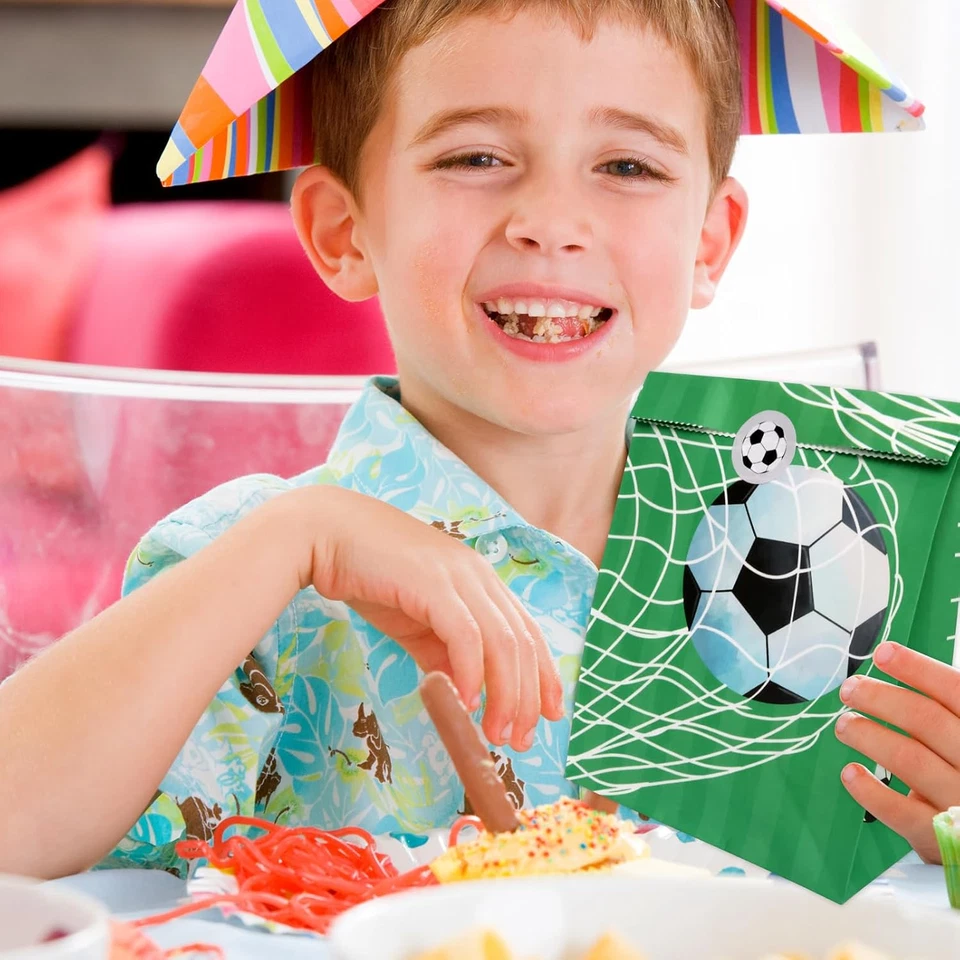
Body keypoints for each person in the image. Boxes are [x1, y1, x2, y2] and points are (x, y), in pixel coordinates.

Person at [0, 0, 952, 882]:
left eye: (627, 166)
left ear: (708, 242)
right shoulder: (259, 561)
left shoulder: (825, 563)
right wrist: (298, 538)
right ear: (344, 233)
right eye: (476, 158)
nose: (550, 225)